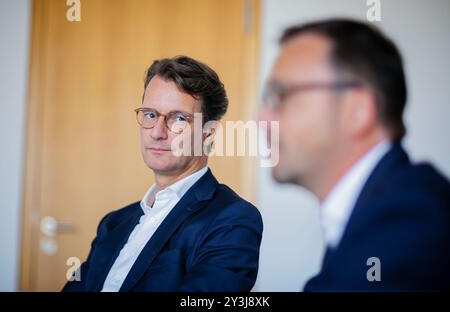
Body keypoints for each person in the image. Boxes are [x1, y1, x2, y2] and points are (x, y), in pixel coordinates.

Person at [259, 19, 450, 291]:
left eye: (281, 95)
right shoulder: (376, 210)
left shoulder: (408, 219)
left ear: (358, 110)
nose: (261, 118)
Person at [63, 55, 263, 292]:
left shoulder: (232, 220)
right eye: (150, 114)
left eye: (178, 119)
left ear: (208, 134)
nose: (157, 132)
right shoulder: (113, 223)